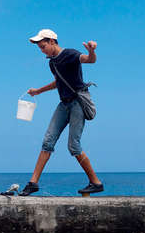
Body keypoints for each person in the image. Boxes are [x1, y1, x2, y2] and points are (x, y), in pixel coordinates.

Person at [20, 29, 103, 196]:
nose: (42, 50)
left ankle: (96, 183)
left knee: (73, 146)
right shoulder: (52, 62)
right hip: (63, 104)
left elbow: (89, 60)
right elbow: (58, 82)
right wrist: (38, 91)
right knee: (47, 142)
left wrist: (92, 50)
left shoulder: (70, 54)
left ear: (52, 41)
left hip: (77, 103)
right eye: (40, 48)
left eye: (43, 46)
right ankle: (33, 183)